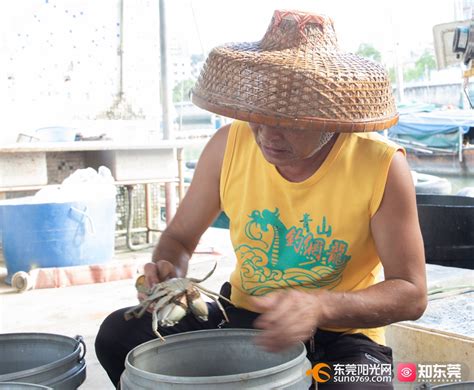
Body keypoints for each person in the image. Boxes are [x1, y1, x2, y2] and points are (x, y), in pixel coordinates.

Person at [95, 10, 427, 389]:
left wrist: (321, 305)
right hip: (243, 315)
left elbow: (411, 293)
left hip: (345, 336)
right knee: (118, 337)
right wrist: (170, 272)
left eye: (288, 121)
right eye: (256, 115)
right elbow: (180, 238)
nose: (267, 134)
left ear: (330, 116)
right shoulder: (227, 146)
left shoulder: (380, 164)